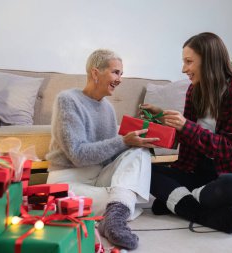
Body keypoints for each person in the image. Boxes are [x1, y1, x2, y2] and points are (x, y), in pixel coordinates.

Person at [141, 32, 232, 234]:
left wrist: (185, 126)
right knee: (144, 169)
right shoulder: (194, 91)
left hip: (229, 176)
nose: (183, 69)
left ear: (209, 60)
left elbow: (229, 148)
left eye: (189, 62)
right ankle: (200, 212)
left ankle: (178, 201)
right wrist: (162, 119)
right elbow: (187, 139)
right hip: (197, 174)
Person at [46, 49, 159, 250]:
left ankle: (113, 217)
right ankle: (118, 209)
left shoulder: (108, 108)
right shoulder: (68, 100)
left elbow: (110, 157)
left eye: (121, 74)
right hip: (69, 182)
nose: (120, 79)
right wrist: (123, 141)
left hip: (99, 178)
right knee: (132, 197)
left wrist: (135, 140)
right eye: (116, 72)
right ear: (95, 73)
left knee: (140, 152)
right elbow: (78, 155)